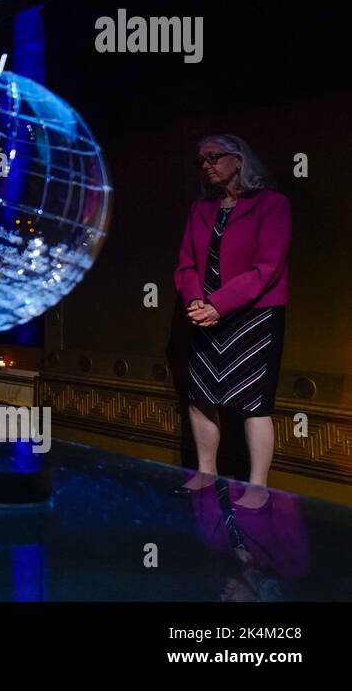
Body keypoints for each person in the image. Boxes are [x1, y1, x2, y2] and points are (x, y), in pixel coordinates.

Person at [174, 135, 290, 509]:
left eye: (214, 157)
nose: (206, 164)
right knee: (201, 397)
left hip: (254, 315)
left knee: (254, 403)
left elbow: (267, 268)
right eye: (201, 160)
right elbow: (187, 262)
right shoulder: (200, 209)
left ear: (238, 161)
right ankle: (206, 472)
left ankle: (258, 485)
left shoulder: (273, 205)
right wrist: (196, 301)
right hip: (205, 316)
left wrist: (219, 305)